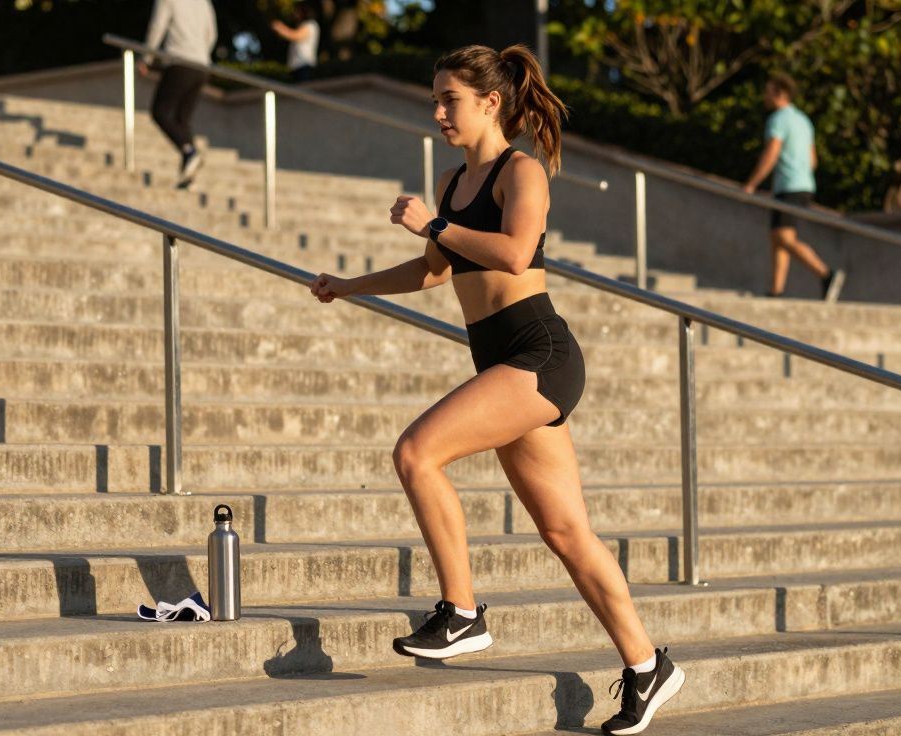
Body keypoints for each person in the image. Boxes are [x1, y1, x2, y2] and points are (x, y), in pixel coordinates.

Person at [308, 44, 685, 735]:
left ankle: (461, 612)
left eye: (449, 99)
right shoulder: (453, 182)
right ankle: (645, 666)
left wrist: (437, 225)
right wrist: (350, 286)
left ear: (491, 102)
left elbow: (516, 251)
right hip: (501, 360)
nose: (438, 111)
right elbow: (432, 271)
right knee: (567, 532)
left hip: (537, 352)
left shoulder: (522, 172)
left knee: (417, 453)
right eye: (433, 99)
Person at [742, 72, 846, 302]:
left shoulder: (778, 119)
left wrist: (751, 184)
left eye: (767, 91)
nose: (764, 96)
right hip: (804, 184)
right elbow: (813, 160)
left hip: (789, 186)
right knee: (777, 236)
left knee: (784, 237)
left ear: (779, 92)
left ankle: (826, 274)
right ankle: (776, 289)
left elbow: (771, 153)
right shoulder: (803, 120)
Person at [138, 0, 217, 189]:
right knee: (182, 120)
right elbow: (212, 34)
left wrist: (146, 58)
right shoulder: (203, 2)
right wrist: (202, 54)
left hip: (180, 61)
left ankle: (189, 152)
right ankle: (187, 176)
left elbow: (157, 27)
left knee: (160, 112)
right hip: (201, 66)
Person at [271, 2, 320, 83]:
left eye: (297, 11)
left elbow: (295, 36)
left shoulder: (310, 25)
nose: (294, 13)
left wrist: (281, 28)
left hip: (304, 65)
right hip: (296, 67)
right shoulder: (302, 26)